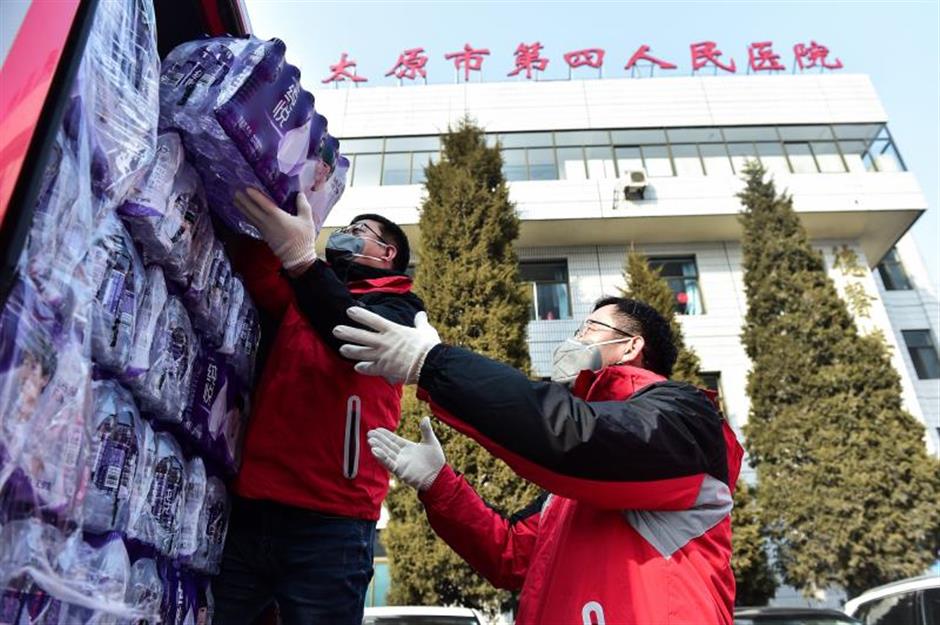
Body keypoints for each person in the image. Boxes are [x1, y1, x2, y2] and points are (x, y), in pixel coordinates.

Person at [333, 298, 744, 625]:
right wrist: (439, 484)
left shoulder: (684, 416)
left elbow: (576, 440)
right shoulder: (571, 489)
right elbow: (511, 555)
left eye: (590, 328)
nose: (576, 336)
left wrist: (434, 365)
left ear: (631, 345)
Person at [211, 189, 424, 625]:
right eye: (344, 227)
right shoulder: (308, 288)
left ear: (387, 253)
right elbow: (261, 271)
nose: (345, 235)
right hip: (256, 505)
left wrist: (303, 263)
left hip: (332, 522)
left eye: (358, 231)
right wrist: (273, 191)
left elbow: (351, 335)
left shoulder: (401, 310)